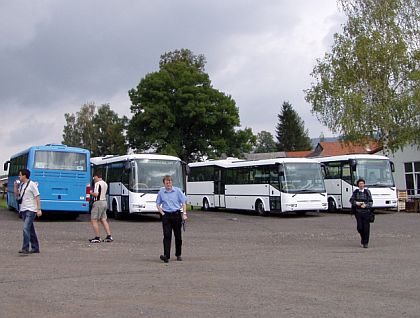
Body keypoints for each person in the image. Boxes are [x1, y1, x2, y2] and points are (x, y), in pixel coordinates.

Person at [156, 175, 187, 263]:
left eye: (169, 182)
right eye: (166, 182)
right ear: (164, 183)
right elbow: (158, 204)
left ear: (171, 182)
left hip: (176, 215)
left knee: (178, 236)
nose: (168, 184)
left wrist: (184, 214)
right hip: (166, 216)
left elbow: (184, 203)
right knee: (166, 235)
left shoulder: (177, 191)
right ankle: (166, 256)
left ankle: (178, 254)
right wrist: (162, 213)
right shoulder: (161, 192)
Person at [14, 168, 42, 254]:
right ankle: (35, 247)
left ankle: (25, 248)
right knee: (30, 229)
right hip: (23, 209)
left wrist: (39, 209)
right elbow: (17, 195)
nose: (19, 176)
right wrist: (15, 186)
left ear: (24, 175)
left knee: (25, 228)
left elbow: (37, 196)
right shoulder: (22, 185)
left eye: (20, 175)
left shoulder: (32, 184)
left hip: (31, 210)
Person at [89, 172, 113, 243]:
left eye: (94, 178)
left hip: (98, 203)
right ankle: (109, 236)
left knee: (94, 220)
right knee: (103, 219)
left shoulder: (97, 184)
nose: (93, 179)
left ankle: (97, 237)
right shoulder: (105, 183)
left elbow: (96, 194)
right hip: (104, 202)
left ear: (96, 176)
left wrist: (90, 192)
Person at [350, 178, 373, 248]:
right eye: (360, 184)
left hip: (366, 212)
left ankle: (365, 242)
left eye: (362, 183)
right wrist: (357, 203)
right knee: (359, 227)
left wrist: (365, 205)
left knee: (366, 228)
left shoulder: (367, 192)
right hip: (358, 212)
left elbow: (371, 202)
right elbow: (351, 200)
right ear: (358, 185)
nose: (361, 185)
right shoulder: (355, 192)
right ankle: (363, 238)